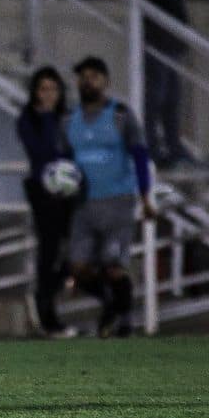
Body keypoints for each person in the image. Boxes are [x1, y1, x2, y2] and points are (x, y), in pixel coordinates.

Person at [62, 57, 155, 338]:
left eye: (94, 76)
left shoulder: (120, 116)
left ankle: (124, 320)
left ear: (106, 81)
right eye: (83, 77)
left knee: (114, 265)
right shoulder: (69, 120)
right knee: (77, 269)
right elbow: (62, 163)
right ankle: (112, 304)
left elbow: (139, 155)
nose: (88, 81)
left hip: (117, 200)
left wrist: (145, 196)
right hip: (82, 205)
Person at [127, 0, 191, 168]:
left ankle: (173, 147)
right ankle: (152, 147)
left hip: (172, 43)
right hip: (156, 43)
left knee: (172, 100)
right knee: (155, 98)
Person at [16, 67, 76, 338]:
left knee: (76, 251)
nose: (49, 94)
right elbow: (42, 152)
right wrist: (50, 118)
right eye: (43, 89)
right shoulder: (29, 119)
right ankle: (46, 312)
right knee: (49, 251)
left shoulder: (70, 118)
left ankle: (53, 294)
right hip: (44, 193)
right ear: (35, 92)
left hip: (71, 194)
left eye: (53, 89)